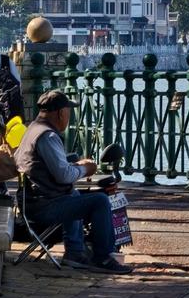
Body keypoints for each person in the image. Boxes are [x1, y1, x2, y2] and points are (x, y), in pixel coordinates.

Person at [14, 89, 132, 275]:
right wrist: (86, 169)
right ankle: (102, 258)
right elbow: (63, 176)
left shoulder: (32, 130)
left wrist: (76, 165)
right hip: (43, 207)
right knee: (100, 201)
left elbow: (51, 168)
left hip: (32, 202)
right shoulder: (48, 136)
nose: (69, 116)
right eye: (69, 111)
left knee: (74, 194)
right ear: (61, 113)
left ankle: (75, 252)